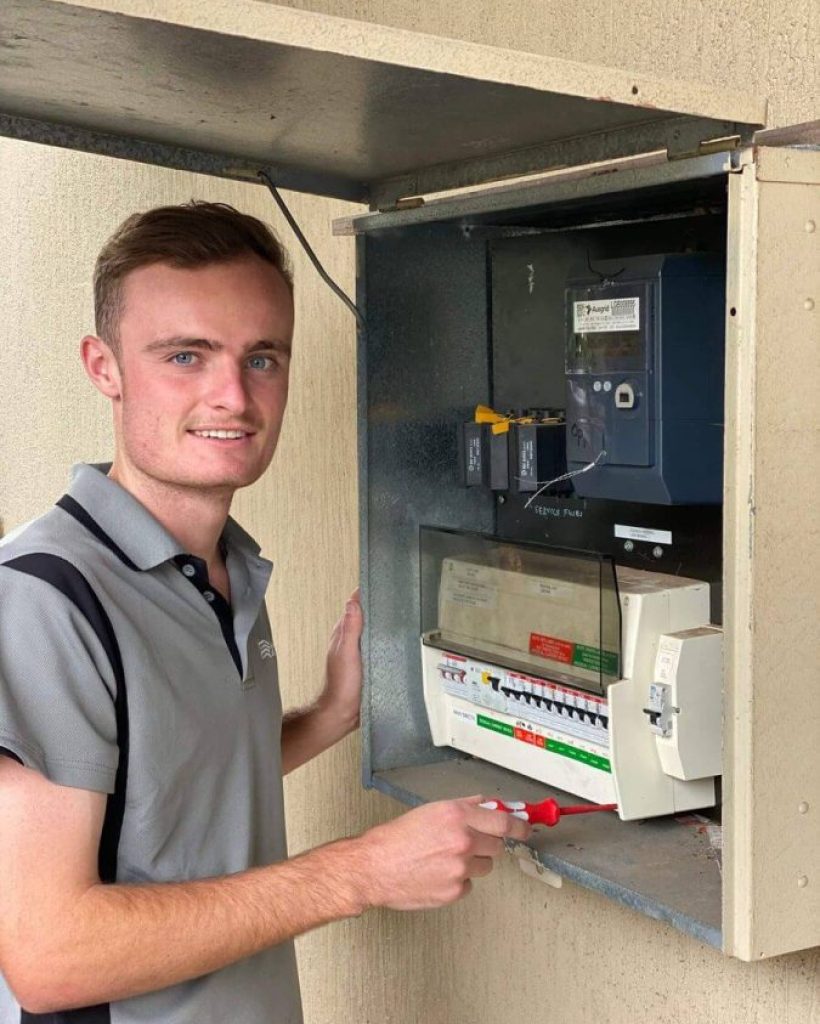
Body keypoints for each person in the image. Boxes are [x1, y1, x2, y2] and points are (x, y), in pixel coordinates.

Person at [0, 202, 530, 1024]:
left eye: (262, 359)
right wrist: (355, 872)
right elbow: (47, 954)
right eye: (186, 355)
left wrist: (331, 714)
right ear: (103, 367)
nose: (233, 397)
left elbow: (165, 791)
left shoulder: (226, 570)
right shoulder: (44, 600)